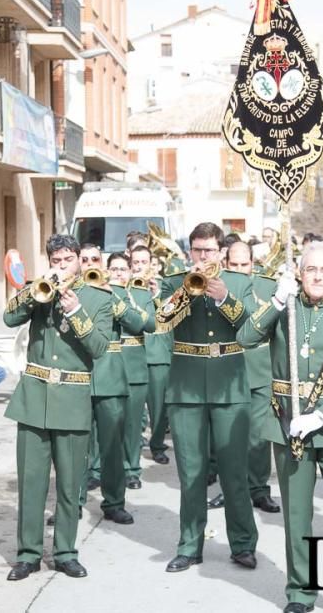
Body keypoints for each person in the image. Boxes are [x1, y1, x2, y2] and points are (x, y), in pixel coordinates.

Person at [236, 241, 323, 613]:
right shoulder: (284, 310)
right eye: (310, 269)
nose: (317, 276)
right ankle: (300, 590)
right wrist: (277, 301)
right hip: (287, 422)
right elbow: (245, 338)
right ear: (299, 272)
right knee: (297, 511)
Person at [3, 234, 113, 581]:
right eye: (56, 260)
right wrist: (34, 292)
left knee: (68, 486)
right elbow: (9, 318)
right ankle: (28, 553)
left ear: (80, 259)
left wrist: (76, 311)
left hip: (72, 397)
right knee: (31, 483)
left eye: (67, 259)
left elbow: (98, 347)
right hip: (34, 398)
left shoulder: (98, 297)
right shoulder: (40, 291)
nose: (61, 266)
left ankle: (65, 552)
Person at [157, 222, 258, 573]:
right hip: (186, 386)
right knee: (191, 472)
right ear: (190, 252)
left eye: (210, 251)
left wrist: (223, 297)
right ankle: (189, 545)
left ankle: (243, 544)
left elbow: (250, 329)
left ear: (221, 252)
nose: (204, 257)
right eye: (198, 250)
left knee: (234, 471)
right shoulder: (174, 282)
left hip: (229, 385)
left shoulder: (241, 282)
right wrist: (187, 290)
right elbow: (162, 321)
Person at [207, 241, 282, 513]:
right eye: (234, 264)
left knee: (258, 437)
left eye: (244, 264)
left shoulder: (267, 286)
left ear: (253, 263)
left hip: (260, 369)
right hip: (228, 369)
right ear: (226, 262)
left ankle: (259, 489)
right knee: (228, 437)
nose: (239, 269)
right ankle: (230, 490)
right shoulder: (215, 283)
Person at [78, 245, 150, 525]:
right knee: (76, 450)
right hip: (79, 378)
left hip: (109, 377)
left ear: (104, 266)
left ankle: (114, 502)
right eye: (83, 260)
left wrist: (114, 298)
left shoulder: (117, 294)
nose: (88, 265)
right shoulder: (67, 293)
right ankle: (74, 502)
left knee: (111, 447)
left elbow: (143, 324)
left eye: (94, 260)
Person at [111, 252, 157, 492]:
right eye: (114, 269)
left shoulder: (138, 294)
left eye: (122, 269)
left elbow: (151, 324)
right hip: (109, 367)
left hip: (135, 367)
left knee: (131, 426)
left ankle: (131, 469)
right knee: (107, 426)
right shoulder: (101, 294)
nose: (118, 273)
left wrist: (129, 306)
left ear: (130, 272)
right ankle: (99, 470)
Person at [131, 245, 173, 466]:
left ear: (151, 264)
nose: (139, 267)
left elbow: (170, 315)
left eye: (143, 262)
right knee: (134, 410)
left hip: (158, 354)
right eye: (135, 262)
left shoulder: (164, 286)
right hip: (135, 353)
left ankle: (157, 445)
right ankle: (133, 445)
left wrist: (156, 294)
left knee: (159, 408)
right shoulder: (126, 286)